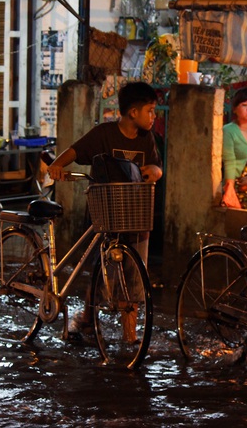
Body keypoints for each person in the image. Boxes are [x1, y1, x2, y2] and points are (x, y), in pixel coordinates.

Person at [47, 81, 162, 340]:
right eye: (150, 110)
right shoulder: (104, 134)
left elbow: (156, 166)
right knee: (101, 270)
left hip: (137, 217)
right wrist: (55, 165)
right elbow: (75, 151)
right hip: (107, 216)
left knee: (135, 275)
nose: (153, 116)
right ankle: (89, 318)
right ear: (133, 112)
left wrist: (153, 172)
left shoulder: (147, 139)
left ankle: (130, 336)